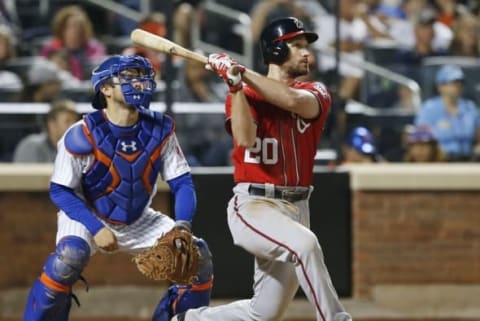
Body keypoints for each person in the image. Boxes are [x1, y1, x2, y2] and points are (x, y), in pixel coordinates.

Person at [166, 17, 352, 321]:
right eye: (298, 45)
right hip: (255, 205)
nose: (308, 53)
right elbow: (244, 138)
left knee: (262, 314)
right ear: (276, 50)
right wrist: (235, 86)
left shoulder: (316, 90)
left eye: (306, 46)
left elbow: (290, 99)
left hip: (297, 207)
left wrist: (241, 72)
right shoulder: (243, 95)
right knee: (306, 245)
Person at [22, 55, 213, 321]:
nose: (138, 82)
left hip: (138, 216)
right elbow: (60, 191)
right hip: (88, 213)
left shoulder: (160, 129)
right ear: (106, 88)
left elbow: (181, 183)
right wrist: (96, 227)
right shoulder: (82, 133)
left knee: (197, 258)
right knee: (68, 259)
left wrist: (182, 226)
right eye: (128, 76)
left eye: (141, 76)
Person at [415, 64, 480, 161]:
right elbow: (421, 139)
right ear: (440, 86)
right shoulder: (429, 109)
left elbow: (478, 136)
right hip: (438, 159)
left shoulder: (470, 108)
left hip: (469, 157)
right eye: (453, 82)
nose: (457, 86)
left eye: (460, 82)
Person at [13, 99, 80, 163]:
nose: (74, 126)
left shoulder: (76, 150)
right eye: (68, 121)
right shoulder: (31, 146)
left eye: (75, 121)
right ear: (52, 124)